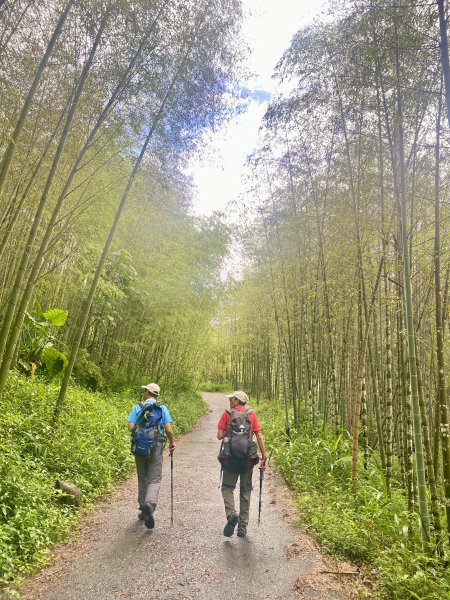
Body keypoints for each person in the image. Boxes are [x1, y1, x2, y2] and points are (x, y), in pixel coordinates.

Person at [217, 390, 266, 538]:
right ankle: (242, 527)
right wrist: (264, 456)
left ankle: (232, 514)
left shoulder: (227, 414)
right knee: (245, 491)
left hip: (230, 459)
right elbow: (258, 436)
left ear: (237, 401)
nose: (230, 400)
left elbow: (219, 435)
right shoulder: (251, 414)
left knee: (227, 488)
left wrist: (229, 435)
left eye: (232, 399)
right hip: (247, 460)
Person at [128, 382, 175, 529]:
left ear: (148, 392)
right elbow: (168, 429)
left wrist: (142, 431)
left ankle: (143, 509)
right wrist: (172, 442)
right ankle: (149, 504)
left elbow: (130, 427)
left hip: (140, 447)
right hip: (156, 446)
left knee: (143, 478)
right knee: (154, 478)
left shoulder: (138, 407)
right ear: (157, 395)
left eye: (145, 391)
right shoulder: (161, 408)